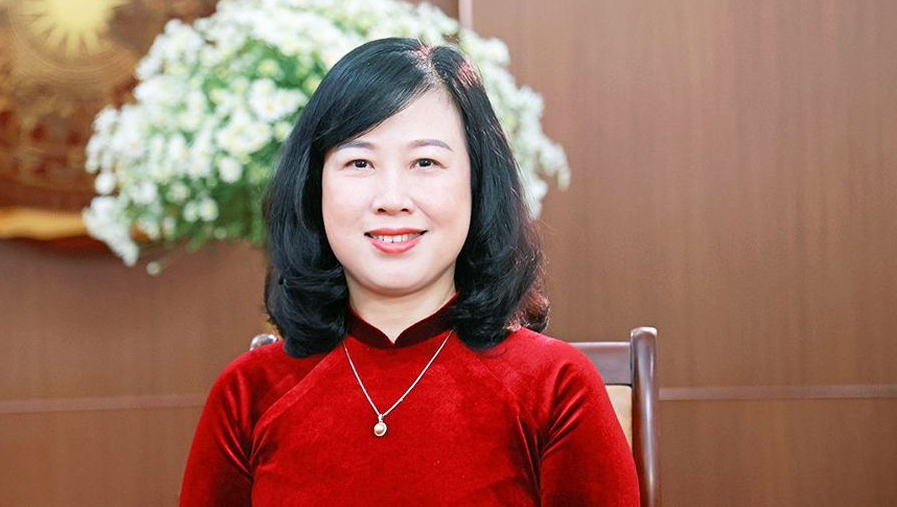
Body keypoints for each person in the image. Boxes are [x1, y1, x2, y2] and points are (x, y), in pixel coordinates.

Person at [180, 38, 640, 505]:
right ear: (313, 186)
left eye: (425, 162)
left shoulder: (556, 387)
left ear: (478, 183)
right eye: (359, 162)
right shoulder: (247, 394)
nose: (392, 199)